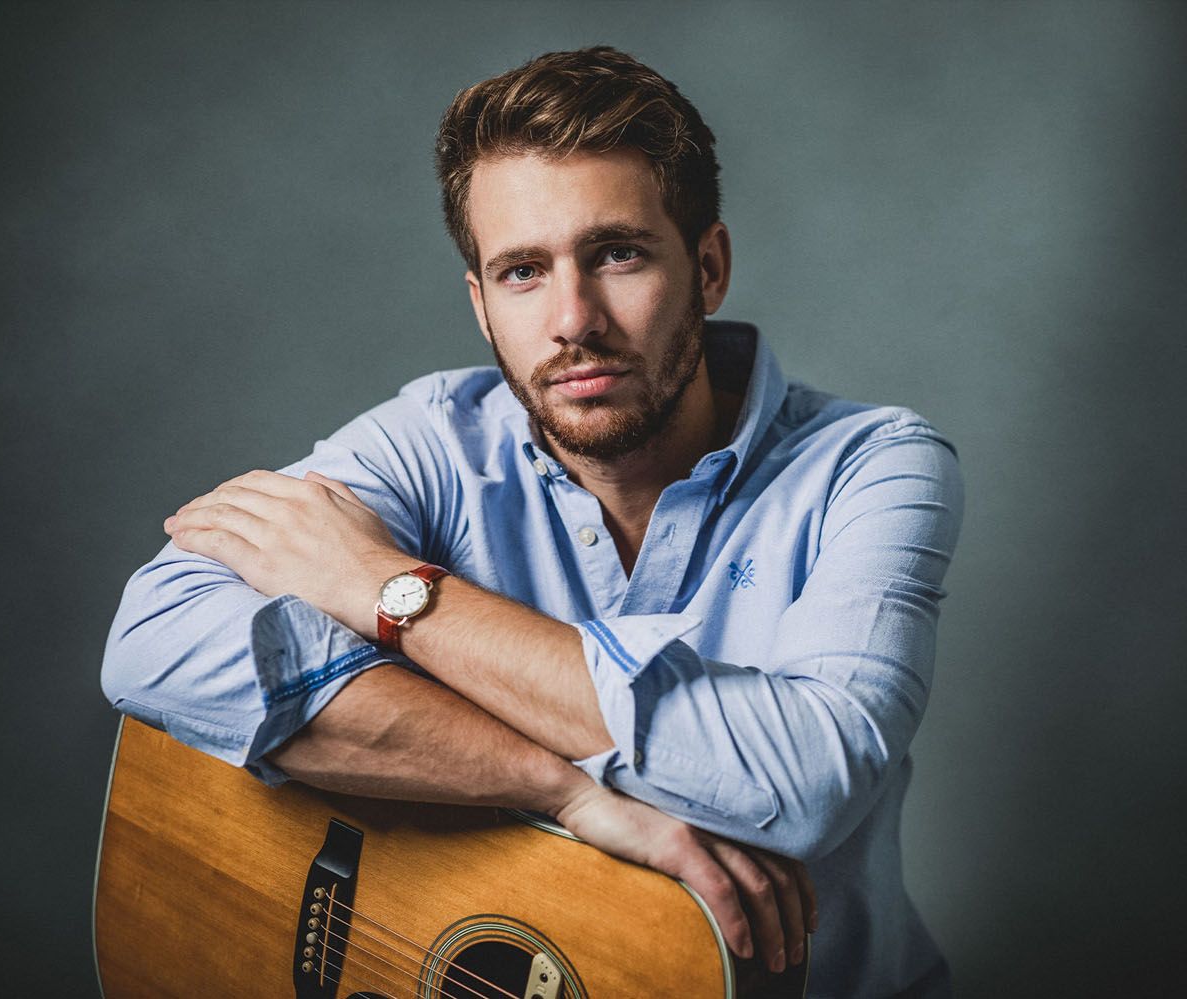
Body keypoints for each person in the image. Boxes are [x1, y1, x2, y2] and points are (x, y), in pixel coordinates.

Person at [102, 46, 963, 998]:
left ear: (709, 267)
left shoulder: (870, 467)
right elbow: (155, 641)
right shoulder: (435, 442)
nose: (572, 320)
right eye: (522, 271)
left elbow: (803, 783)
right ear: (481, 306)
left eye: (617, 253)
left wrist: (389, 590)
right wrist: (563, 790)